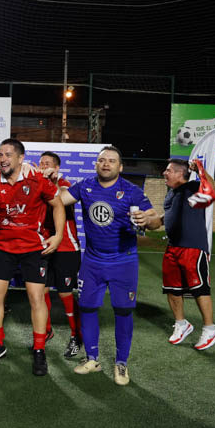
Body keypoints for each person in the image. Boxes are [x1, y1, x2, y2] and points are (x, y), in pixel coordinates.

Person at [58, 146, 160, 386]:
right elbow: (59, 199)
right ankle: (92, 358)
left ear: (120, 167)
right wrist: (47, 181)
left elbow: (154, 217)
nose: (106, 164)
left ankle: (121, 363)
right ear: (96, 164)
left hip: (123, 261)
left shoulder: (131, 191)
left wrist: (149, 220)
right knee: (88, 308)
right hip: (92, 261)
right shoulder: (86, 186)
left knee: (123, 311)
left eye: (111, 161)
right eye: (102, 160)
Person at [0, 139, 66, 376]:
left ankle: (39, 350)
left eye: (7, 155)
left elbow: (57, 205)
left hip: (33, 248)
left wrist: (57, 236)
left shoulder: (37, 179)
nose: (2, 159)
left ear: (20, 158)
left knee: (36, 298)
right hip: (3, 247)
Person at [157, 158, 215, 350]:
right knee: (171, 288)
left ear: (180, 174)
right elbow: (164, 218)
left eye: (168, 171)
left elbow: (211, 188)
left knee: (198, 288)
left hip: (193, 247)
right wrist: (146, 220)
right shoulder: (172, 194)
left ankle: (211, 328)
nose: (164, 173)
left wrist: (200, 169)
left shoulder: (193, 187)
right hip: (173, 247)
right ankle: (181, 324)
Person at [38, 151, 83, 359]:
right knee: (41, 290)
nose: (43, 166)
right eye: (41, 163)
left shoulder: (65, 185)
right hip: (44, 246)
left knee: (65, 293)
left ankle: (76, 335)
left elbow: (62, 199)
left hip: (66, 248)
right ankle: (46, 329)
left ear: (56, 168)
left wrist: (53, 183)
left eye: (47, 163)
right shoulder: (37, 184)